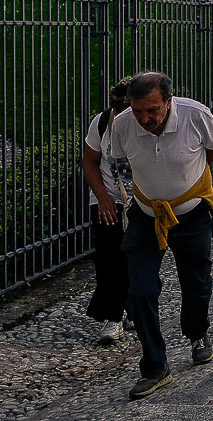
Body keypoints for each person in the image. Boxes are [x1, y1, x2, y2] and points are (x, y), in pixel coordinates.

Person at [87, 71, 213, 400]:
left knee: (196, 281)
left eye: (152, 111)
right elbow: (116, 162)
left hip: (191, 214)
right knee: (140, 292)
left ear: (168, 101)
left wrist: (187, 178)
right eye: (137, 111)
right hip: (145, 215)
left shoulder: (196, 116)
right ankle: (154, 367)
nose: (144, 119)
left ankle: (198, 334)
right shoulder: (121, 125)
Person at [81, 76, 135, 344]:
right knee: (108, 258)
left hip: (143, 202)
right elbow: (89, 162)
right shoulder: (102, 123)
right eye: (117, 112)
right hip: (109, 199)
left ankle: (135, 307)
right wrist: (102, 198)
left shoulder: (148, 122)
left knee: (138, 258)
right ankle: (113, 317)